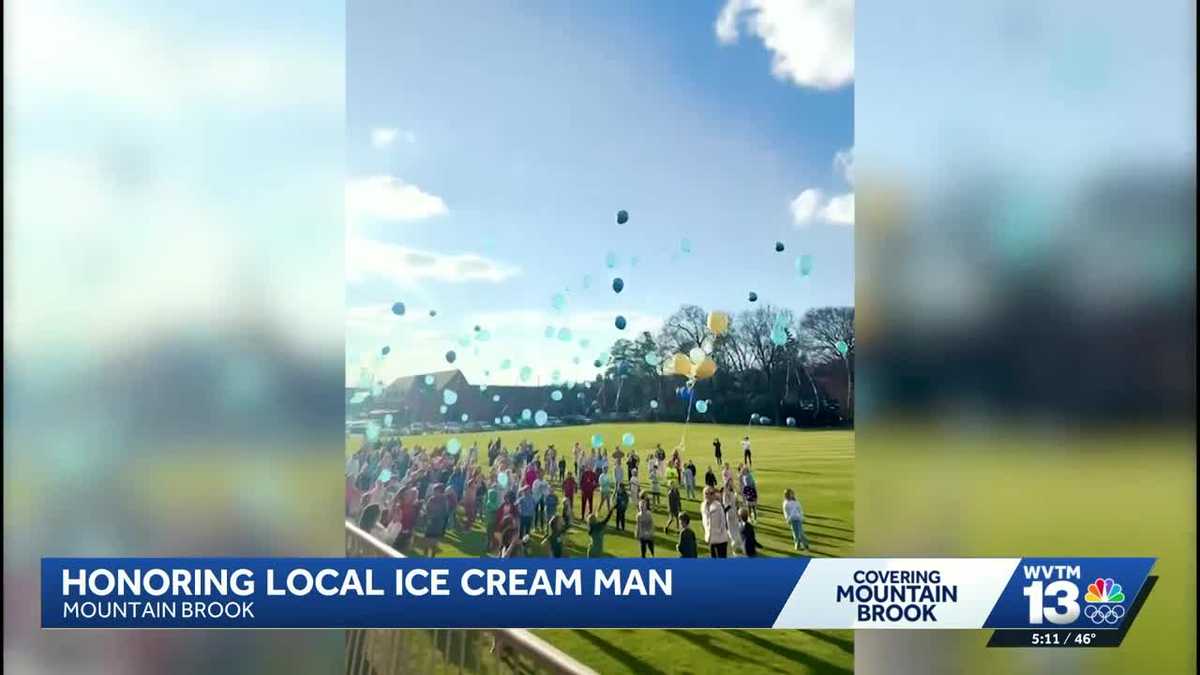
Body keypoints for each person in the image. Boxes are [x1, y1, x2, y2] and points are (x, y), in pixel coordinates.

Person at [420, 484, 451, 557]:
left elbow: (445, 513)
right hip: (430, 524)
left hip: (438, 525)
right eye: (434, 491)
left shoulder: (444, 501)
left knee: (434, 543)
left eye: (436, 491)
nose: (434, 493)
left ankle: (432, 557)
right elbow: (427, 509)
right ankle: (424, 556)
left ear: (441, 492)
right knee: (426, 541)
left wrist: (444, 526)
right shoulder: (431, 499)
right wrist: (426, 516)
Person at [700, 486, 730, 558]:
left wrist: (719, 531)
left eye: (711, 493)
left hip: (720, 538)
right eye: (706, 493)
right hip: (710, 538)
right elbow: (704, 520)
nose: (709, 495)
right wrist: (706, 531)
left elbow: (723, 521)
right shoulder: (703, 506)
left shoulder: (718, 506)